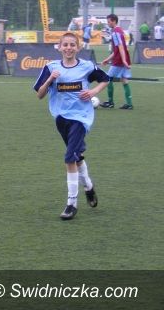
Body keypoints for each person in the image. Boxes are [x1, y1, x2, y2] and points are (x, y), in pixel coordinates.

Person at [34, 32, 109, 220]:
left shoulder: (86, 66)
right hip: (61, 118)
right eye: (65, 45)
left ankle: (71, 204)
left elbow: (105, 79)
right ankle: (89, 187)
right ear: (59, 47)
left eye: (72, 45)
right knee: (77, 157)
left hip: (81, 118)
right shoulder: (51, 67)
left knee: (69, 158)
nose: (68, 48)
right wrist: (50, 80)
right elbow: (40, 94)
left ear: (78, 47)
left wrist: (93, 91)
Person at [99, 13, 133, 110]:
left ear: (114, 21)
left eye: (109, 21)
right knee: (124, 80)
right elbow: (117, 50)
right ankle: (129, 104)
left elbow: (120, 47)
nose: (108, 23)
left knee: (108, 78)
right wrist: (107, 59)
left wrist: (123, 60)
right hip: (123, 58)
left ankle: (110, 102)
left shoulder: (115, 32)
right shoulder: (120, 30)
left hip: (119, 60)